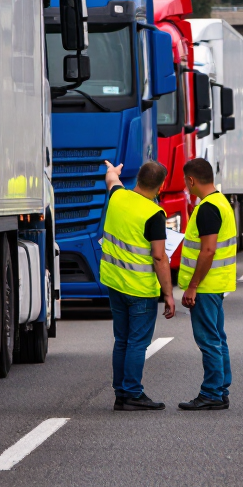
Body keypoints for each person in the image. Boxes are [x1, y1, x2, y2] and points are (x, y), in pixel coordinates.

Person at [100, 159, 176, 411]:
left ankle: (121, 393)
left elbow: (112, 181)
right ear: (160, 186)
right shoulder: (154, 213)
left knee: (121, 339)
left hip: (114, 284)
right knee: (136, 343)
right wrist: (168, 294)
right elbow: (159, 256)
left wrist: (113, 171)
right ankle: (132, 392)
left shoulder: (118, 197)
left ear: (138, 179)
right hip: (140, 290)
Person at [177, 158, 236, 410]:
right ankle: (220, 388)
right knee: (217, 338)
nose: (186, 186)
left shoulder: (208, 208)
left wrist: (192, 286)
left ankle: (211, 392)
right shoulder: (221, 201)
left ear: (191, 180)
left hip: (206, 286)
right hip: (216, 284)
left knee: (209, 340)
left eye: (185, 181)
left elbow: (208, 251)